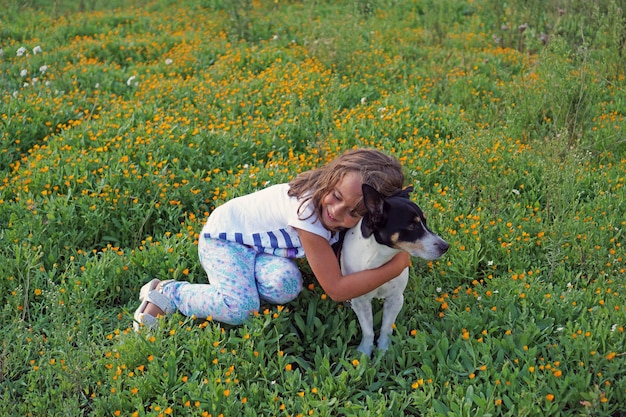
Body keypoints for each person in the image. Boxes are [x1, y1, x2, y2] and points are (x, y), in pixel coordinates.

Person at [133, 148, 411, 331]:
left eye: (353, 212)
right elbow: (337, 290)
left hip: (263, 249)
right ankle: (170, 291)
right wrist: (394, 267)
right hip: (226, 240)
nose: (337, 212)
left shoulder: (337, 203)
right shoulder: (307, 215)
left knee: (286, 286)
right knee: (240, 309)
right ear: (331, 178)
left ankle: (242, 282)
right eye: (336, 197)